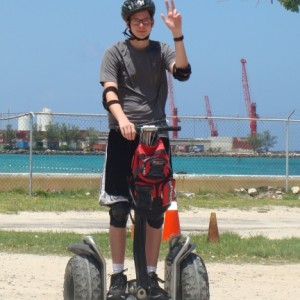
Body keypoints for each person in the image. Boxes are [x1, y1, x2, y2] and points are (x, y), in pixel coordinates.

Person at [99, 0, 191, 299]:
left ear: (153, 22)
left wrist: (178, 34)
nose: (142, 24)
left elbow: (182, 72)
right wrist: (123, 120)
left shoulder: (162, 49)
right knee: (120, 207)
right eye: (136, 20)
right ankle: (116, 276)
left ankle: (150, 278)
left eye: (147, 20)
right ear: (128, 22)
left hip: (156, 136)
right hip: (122, 135)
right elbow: (109, 91)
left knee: (155, 211)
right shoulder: (115, 52)